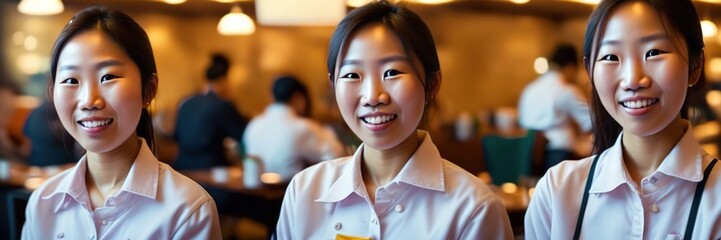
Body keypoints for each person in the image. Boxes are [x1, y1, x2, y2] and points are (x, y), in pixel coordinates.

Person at [275, 1, 513, 239]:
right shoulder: (304, 191)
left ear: (431, 84)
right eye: (351, 75)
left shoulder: (473, 208)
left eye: (392, 72)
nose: (372, 97)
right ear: (334, 85)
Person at [525, 0, 721, 239]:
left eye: (654, 52)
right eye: (610, 57)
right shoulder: (556, 192)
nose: (632, 80)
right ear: (590, 71)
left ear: (695, 65)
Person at [21, 6, 221, 239]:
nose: (88, 101)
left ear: (148, 90)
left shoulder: (188, 209)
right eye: (71, 80)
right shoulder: (43, 202)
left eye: (108, 77)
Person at [242, 75, 345, 182]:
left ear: (272, 96)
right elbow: (337, 154)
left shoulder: (254, 124)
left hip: (254, 192)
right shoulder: (303, 127)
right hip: (287, 190)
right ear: (298, 98)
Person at [518, 44, 592, 171]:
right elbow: (591, 121)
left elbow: (522, 121)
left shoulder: (530, 89)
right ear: (570, 67)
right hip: (558, 151)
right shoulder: (566, 90)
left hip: (528, 149)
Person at [173, 53, 248, 170]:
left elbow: (175, 135)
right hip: (210, 168)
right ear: (223, 80)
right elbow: (243, 133)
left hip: (182, 166)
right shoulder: (221, 105)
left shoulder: (185, 102)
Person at [23, 101, 81, 167]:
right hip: (61, 167)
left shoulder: (34, 114)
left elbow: (26, 138)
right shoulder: (58, 113)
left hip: (36, 166)